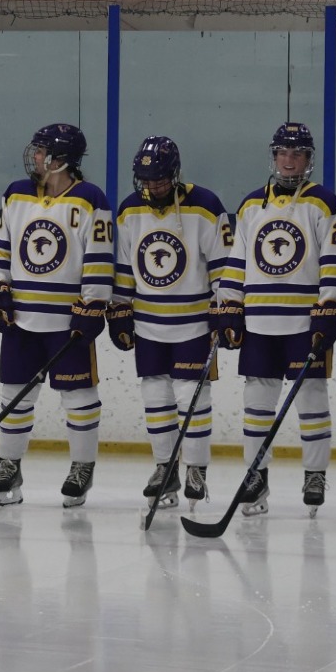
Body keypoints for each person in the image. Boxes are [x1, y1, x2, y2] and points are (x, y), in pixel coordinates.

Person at [213, 123, 336, 514]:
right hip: (258, 324)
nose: (289, 161)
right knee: (256, 404)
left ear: (308, 160)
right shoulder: (252, 204)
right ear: (273, 156)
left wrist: (330, 308)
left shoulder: (324, 204)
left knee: (311, 399)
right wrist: (230, 305)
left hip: (304, 324)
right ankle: (255, 477)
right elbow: (236, 262)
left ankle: (314, 473)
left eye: (298, 154)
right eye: (282, 154)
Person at [0, 124, 113, 506]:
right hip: (21, 320)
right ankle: (9, 465)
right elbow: (0, 248)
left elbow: (99, 256)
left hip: (68, 322)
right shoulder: (16, 194)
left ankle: (82, 467)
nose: (34, 157)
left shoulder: (91, 199)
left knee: (79, 396)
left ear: (61, 159)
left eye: (41, 152)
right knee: (14, 396)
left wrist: (93, 305)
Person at [109, 136, 229, 507]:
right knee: (155, 398)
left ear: (174, 174)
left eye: (159, 179)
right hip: (148, 325)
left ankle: (196, 468)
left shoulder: (206, 206)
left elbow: (225, 267)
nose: (152, 186)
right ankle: (165, 467)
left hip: (194, 324)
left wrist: (225, 308)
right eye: (146, 180)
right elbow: (125, 267)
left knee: (192, 397)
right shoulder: (130, 210)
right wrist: (119, 310)